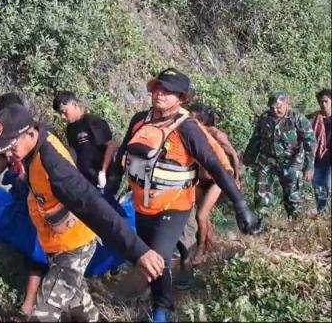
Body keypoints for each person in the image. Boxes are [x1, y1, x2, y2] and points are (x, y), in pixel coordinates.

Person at [0, 105, 165, 322]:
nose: (8, 155)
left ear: (31, 133)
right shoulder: (35, 145)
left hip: (73, 247)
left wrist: (138, 250)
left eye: (11, 148)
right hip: (56, 245)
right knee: (81, 310)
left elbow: (93, 204)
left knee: (43, 315)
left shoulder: (54, 164)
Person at [105, 68, 258, 322]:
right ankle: (157, 304)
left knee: (159, 257)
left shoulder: (188, 128)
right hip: (143, 207)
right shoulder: (140, 120)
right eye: (157, 88)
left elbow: (216, 166)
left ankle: (162, 312)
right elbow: (121, 158)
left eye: (167, 91)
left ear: (181, 97)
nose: (159, 94)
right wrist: (108, 195)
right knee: (147, 259)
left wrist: (241, 205)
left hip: (175, 207)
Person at [0, 93, 47, 320]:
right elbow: (3, 158)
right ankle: (31, 301)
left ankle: (30, 305)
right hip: (23, 197)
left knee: (37, 249)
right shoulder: (8, 136)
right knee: (32, 247)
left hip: (41, 200)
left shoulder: (38, 140)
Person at [243, 91, 317, 224]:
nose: (275, 110)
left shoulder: (297, 119)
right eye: (272, 108)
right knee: (261, 194)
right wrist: (248, 159)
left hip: (292, 163)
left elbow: (310, 142)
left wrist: (309, 166)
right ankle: (262, 223)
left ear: (287, 104)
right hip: (268, 162)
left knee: (292, 197)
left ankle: (296, 224)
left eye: (278, 107)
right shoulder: (265, 118)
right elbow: (256, 139)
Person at [187, 103, 242, 264]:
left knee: (201, 215)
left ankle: (200, 250)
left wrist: (236, 179)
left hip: (216, 180)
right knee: (204, 217)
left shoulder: (216, 134)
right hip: (199, 179)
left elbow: (233, 155)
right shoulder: (191, 132)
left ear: (201, 117)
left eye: (193, 114)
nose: (189, 116)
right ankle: (209, 246)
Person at [52, 91, 119, 189]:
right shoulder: (70, 129)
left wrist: (103, 172)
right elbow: (73, 152)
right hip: (86, 180)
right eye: (60, 113)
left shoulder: (92, 122)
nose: (63, 116)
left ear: (74, 105)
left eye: (64, 111)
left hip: (102, 178)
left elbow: (112, 145)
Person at [308, 89, 331, 214]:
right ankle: (322, 214)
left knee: (328, 186)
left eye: (326, 101)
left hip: (329, 160)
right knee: (319, 190)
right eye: (321, 102)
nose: (323, 104)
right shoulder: (313, 119)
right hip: (317, 159)